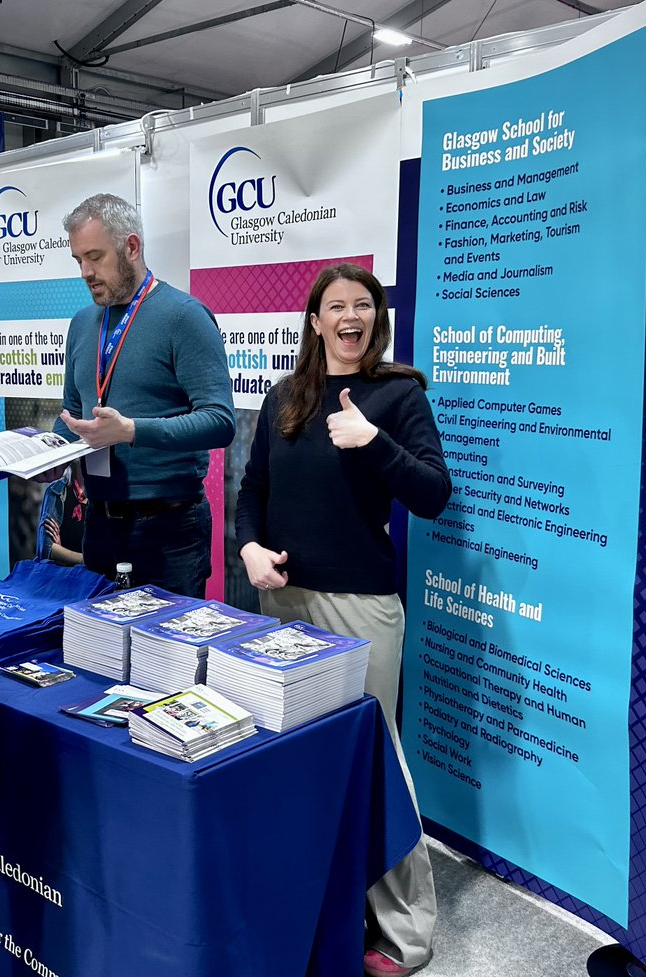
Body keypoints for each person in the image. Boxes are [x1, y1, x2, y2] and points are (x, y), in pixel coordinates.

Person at [235, 263, 451, 977]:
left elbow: (434, 494)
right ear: (316, 320)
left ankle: (405, 932)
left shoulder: (397, 394)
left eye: (364, 304)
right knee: (300, 759)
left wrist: (374, 442)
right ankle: (323, 904)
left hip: (360, 606)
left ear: (376, 318)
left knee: (376, 764)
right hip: (284, 604)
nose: (351, 315)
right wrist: (250, 548)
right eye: (337, 305)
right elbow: (253, 490)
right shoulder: (283, 397)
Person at [53, 192, 234, 597]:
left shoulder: (184, 316)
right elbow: (71, 412)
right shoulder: (83, 324)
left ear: (131, 247)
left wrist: (132, 430)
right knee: (99, 655)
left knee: (169, 659)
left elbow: (220, 422)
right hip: (99, 526)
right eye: (78, 259)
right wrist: (46, 456)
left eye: (95, 257)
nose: (85, 271)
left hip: (169, 529)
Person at [36, 465, 86, 565]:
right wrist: (88, 561)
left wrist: (61, 552)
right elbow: (46, 549)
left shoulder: (105, 495)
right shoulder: (55, 490)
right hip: (64, 573)